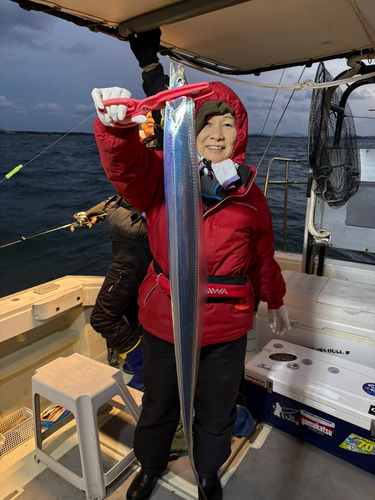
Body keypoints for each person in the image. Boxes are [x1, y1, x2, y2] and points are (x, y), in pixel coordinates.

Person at [91, 44, 290, 500]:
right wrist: (114, 128)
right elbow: (125, 169)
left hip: (226, 326)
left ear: (239, 132)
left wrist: (275, 300)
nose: (217, 133)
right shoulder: (163, 175)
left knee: (217, 409)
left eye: (228, 123)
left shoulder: (250, 195)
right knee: (159, 403)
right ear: (188, 129)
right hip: (165, 320)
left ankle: (207, 472)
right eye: (206, 122)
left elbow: (262, 257)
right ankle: (150, 466)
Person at [78, 195, 152, 391]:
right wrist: (101, 210)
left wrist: (109, 212)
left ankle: (144, 372)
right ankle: (143, 369)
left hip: (132, 257)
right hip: (132, 256)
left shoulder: (156, 174)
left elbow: (142, 197)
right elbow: (127, 195)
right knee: (135, 317)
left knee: (103, 318)